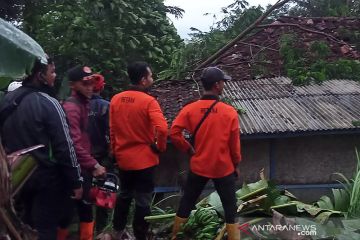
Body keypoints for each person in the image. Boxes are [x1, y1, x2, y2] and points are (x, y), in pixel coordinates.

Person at [0, 58, 83, 240]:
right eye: (52, 72)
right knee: (45, 229)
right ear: (40, 76)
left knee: (23, 226)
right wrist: (76, 181)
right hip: (46, 178)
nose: (55, 76)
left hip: (15, 177)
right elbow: (65, 146)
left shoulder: (8, 100)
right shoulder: (48, 103)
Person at [169, 67, 241, 240]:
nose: (224, 84)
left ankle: (175, 236)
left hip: (199, 166)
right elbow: (234, 145)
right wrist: (235, 164)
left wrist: (188, 149)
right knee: (231, 209)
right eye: (223, 81)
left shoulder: (190, 109)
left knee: (186, 203)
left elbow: (173, 133)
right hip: (223, 168)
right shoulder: (229, 112)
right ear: (217, 85)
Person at [110, 61, 168, 239]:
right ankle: (140, 234)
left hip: (124, 159)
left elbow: (112, 131)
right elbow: (163, 129)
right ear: (143, 80)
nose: (152, 78)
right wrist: (160, 147)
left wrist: (115, 151)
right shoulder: (149, 101)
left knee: (124, 195)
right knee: (143, 200)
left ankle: (118, 231)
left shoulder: (116, 99)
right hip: (145, 160)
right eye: (150, 76)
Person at [58, 66, 106, 240]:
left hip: (81, 167)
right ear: (72, 85)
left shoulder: (84, 104)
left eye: (92, 82)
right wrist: (93, 164)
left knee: (85, 210)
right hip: (74, 168)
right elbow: (73, 143)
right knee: (69, 213)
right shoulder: (72, 108)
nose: (89, 87)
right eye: (85, 83)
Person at [87, 73, 112, 232]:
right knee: (104, 196)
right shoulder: (107, 106)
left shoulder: (75, 106)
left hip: (82, 159)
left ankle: (85, 231)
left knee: (84, 198)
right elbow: (112, 133)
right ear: (102, 87)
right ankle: (101, 230)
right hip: (103, 159)